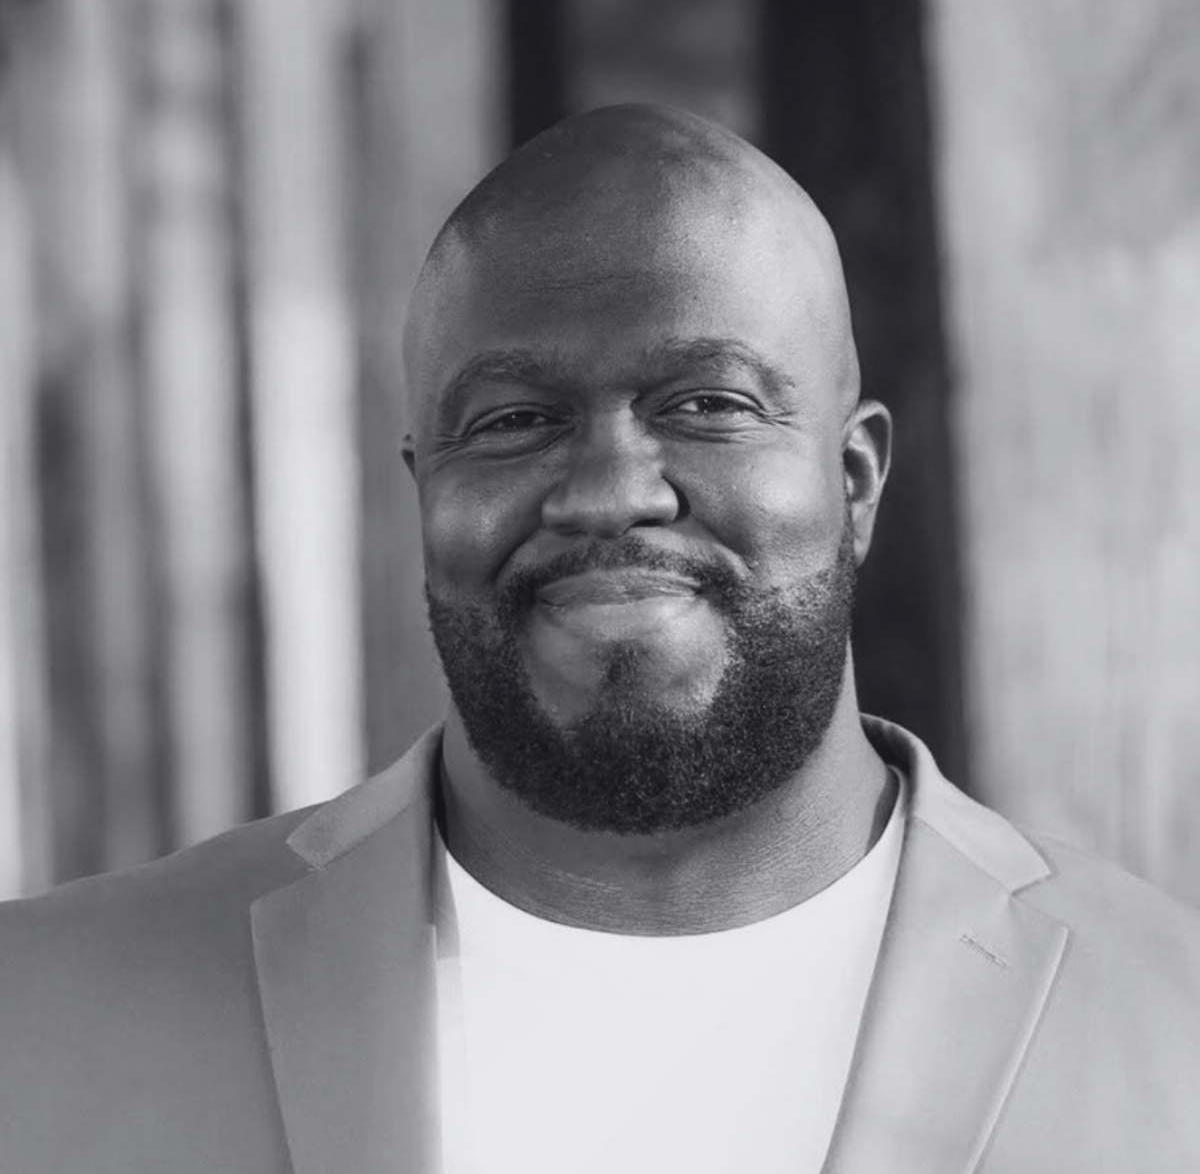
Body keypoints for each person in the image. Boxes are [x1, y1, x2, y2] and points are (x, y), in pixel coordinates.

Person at [1, 104, 1198, 1174]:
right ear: (424, 492)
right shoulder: (44, 1018)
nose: (611, 492)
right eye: (514, 420)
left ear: (854, 482)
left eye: (709, 404)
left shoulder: (1169, 1025)